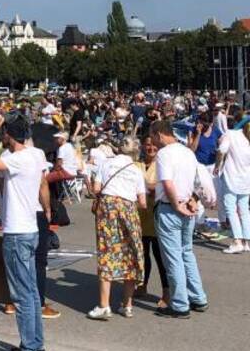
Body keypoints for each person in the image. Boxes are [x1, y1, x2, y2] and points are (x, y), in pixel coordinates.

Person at [0, 112, 47, 351]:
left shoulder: (17, 159)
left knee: (22, 295)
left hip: (17, 233)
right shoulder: (36, 155)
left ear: (9, 135)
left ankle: (30, 347)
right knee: (31, 292)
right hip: (29, 230)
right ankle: (35, 344)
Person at [150, 120, 208, 318]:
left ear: (159, 134)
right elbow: (199, 181)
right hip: (187, 205)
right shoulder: (187, 152)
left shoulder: (164, 154)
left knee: (173, 257)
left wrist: (176, 204)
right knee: (186, 253)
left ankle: (180, 304)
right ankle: (198, 297)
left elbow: (167, 182)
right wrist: (192, 200)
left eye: (152, 137)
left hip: (170, 208)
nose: (151, 141)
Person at [87, 137, 147, 320]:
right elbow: (143, 203)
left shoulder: (107, 163)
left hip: (108, 209)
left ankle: (104, 305)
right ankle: (127, 304)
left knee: (107, 252)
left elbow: (96, 189)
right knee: (130, 254)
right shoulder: (136, 170)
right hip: (129, 209)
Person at [137, 136, 170, 307]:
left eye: (153, 145)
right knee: (142, 256)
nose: (150, 148)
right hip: (139, 217)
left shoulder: (162, 165)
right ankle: (142, 285)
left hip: (157, 217)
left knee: (160, 257)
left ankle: (166, 292)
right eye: (147, 144)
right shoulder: (137, 164)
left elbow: (163, 187)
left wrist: (144, 186)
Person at [214, 121, 250, 253]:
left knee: (231, 209)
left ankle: (237, 241)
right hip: (246, 180)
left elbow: (221, 150)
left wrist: (218, 166)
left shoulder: (231, 134)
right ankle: (247, 242)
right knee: (244, 210)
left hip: (232, 178)